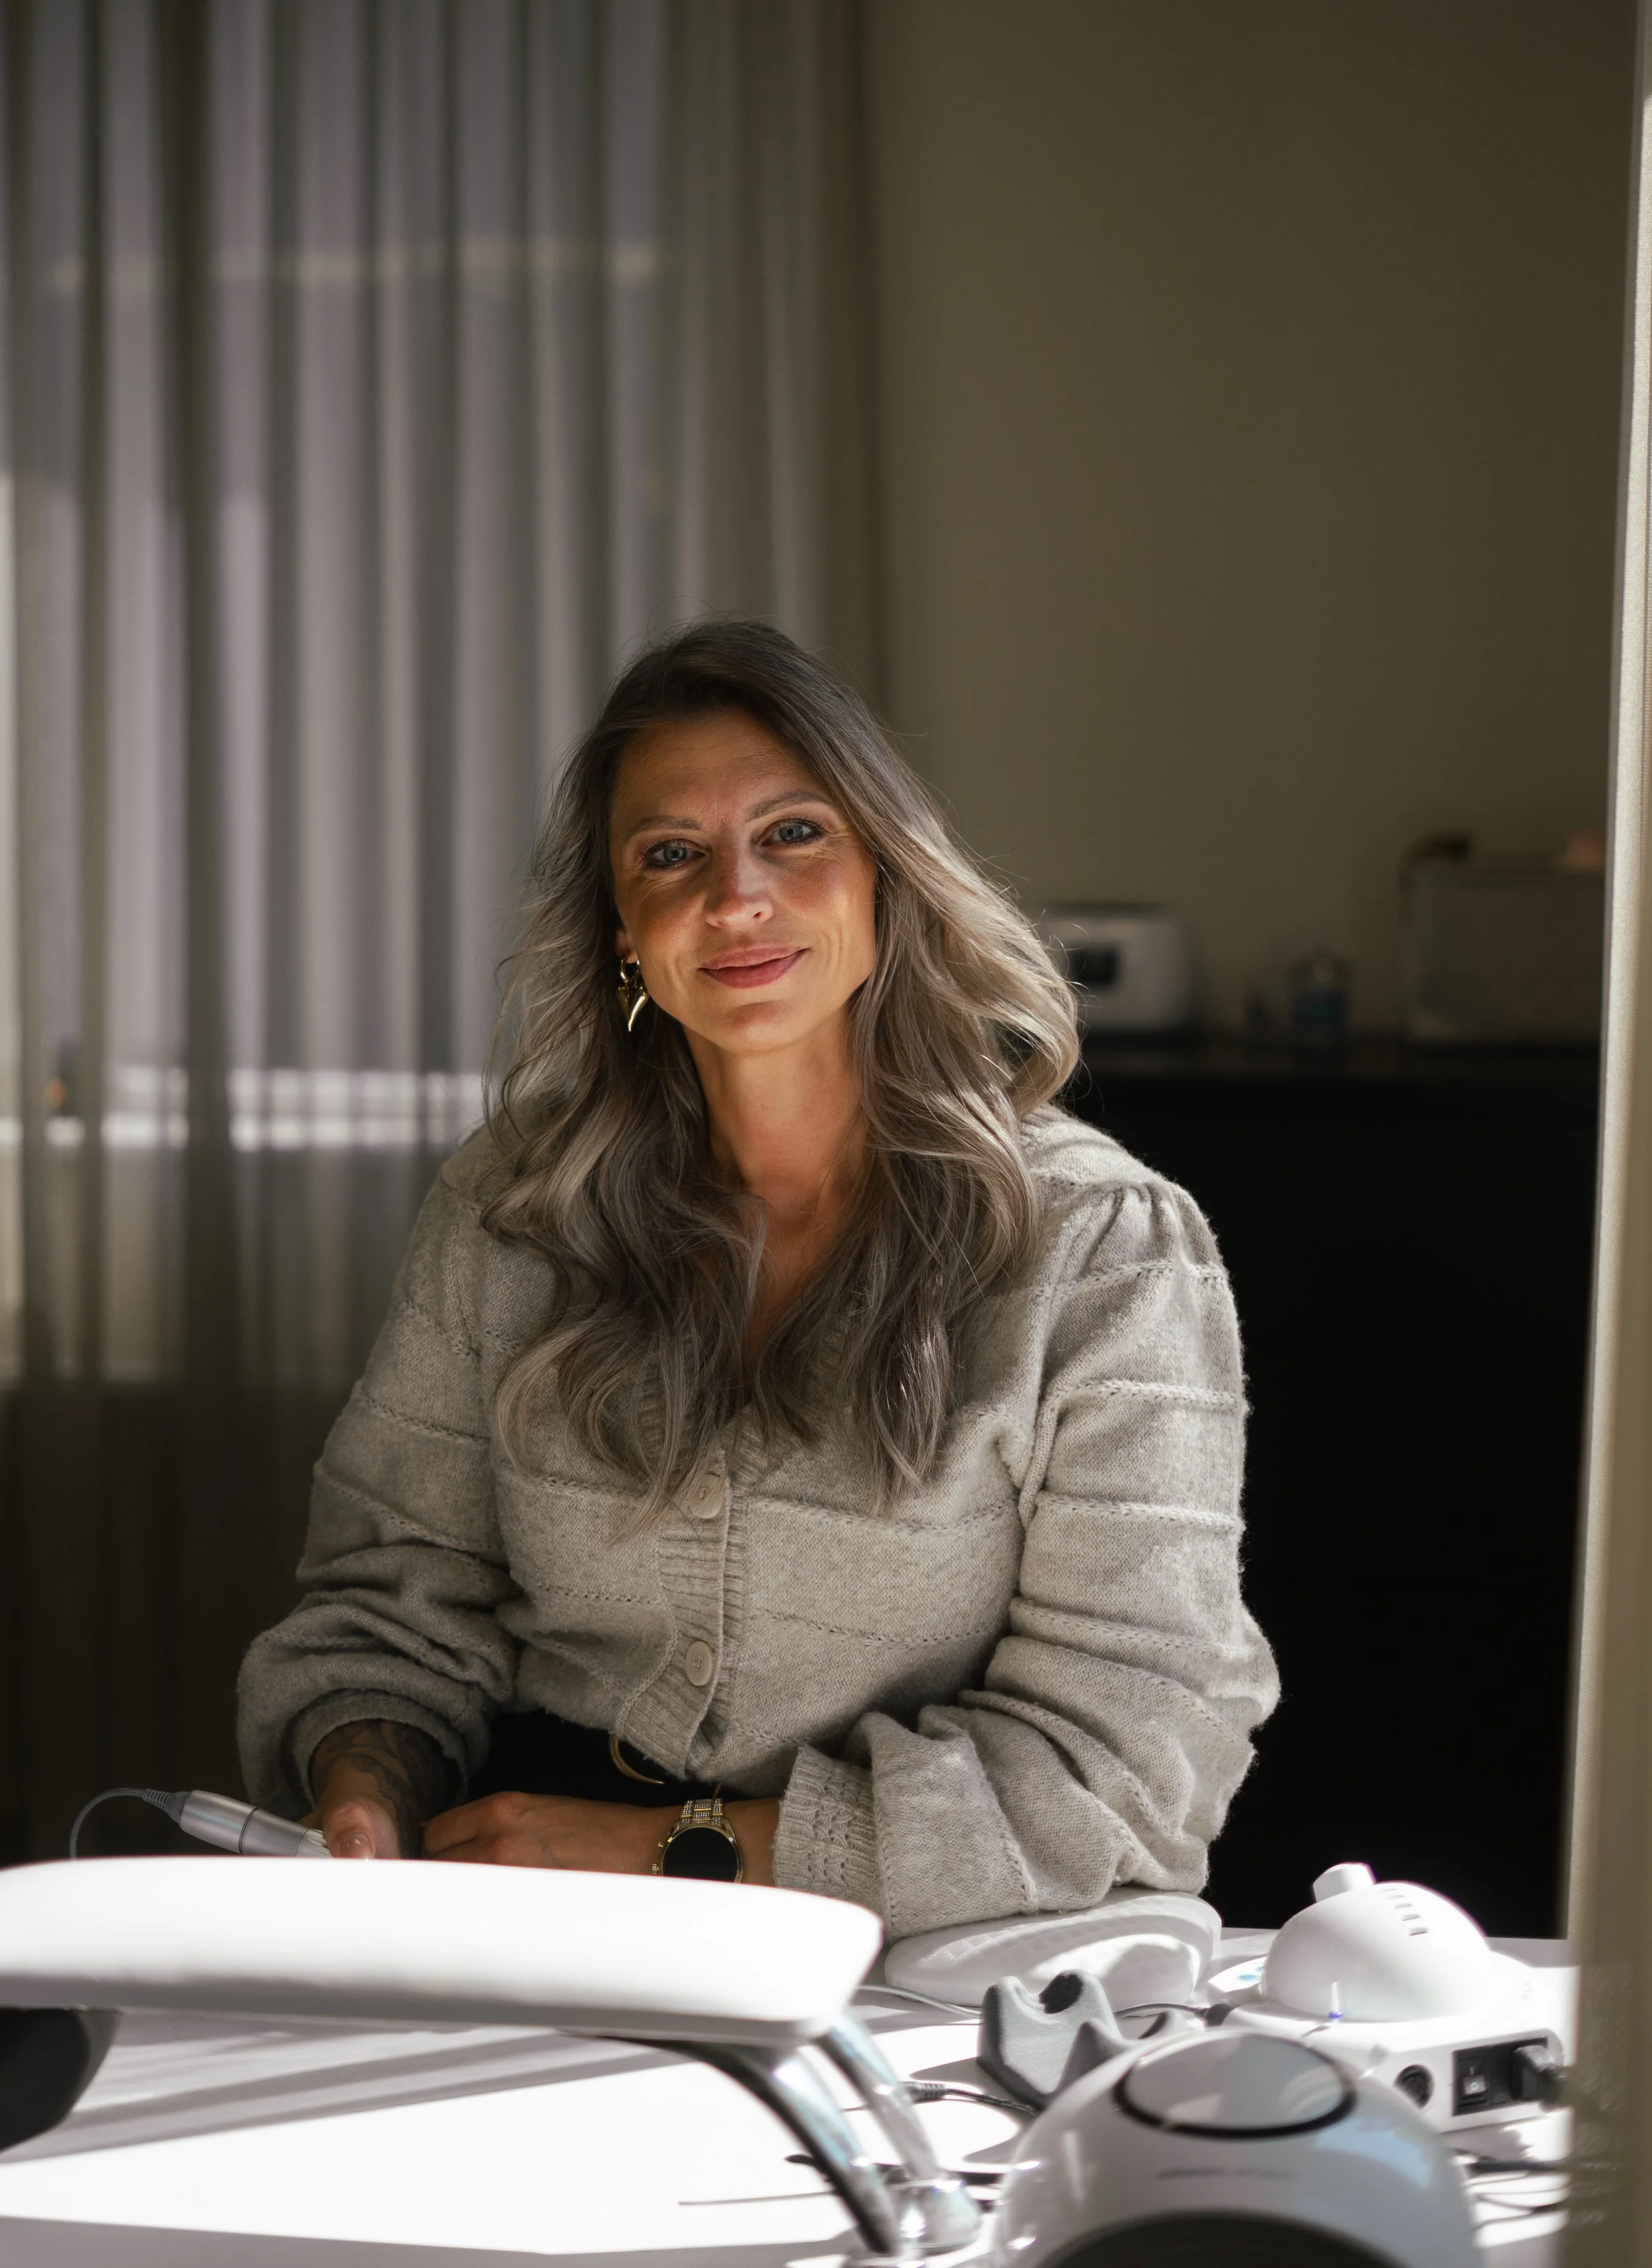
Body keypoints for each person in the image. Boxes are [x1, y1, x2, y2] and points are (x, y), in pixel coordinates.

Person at [237, 620, 1278, 1938]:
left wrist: (667, 1854)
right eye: (670, 855)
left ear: (883, 877)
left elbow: (1131, 1762)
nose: (733, 899)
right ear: (622, 930)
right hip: (525, 1908)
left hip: (911, 1951)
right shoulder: (512, 1207)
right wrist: (366, 1807)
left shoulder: (1099, 1247)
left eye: (793, 833)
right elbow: (389, 1599)